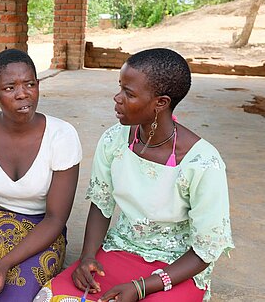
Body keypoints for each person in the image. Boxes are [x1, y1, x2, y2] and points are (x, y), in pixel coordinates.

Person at [35, 48, 234, 302]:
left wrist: (142, 287)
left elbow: (206, 250)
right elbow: (101, 204)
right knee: (50, 298)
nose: (117, 98)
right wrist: (87, 257)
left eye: (129, 94)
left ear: (160, 103)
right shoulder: (113, 140)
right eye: (120, 88)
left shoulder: (203, 162)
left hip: (177, 268)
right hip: (120, 249)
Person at [0, 49, 82, 301]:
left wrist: (3, 264)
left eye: (30, 84)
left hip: (42, 230)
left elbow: (55, 219)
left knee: (15, 296)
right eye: (10, 87)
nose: (22, 94)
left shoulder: (61, 136)